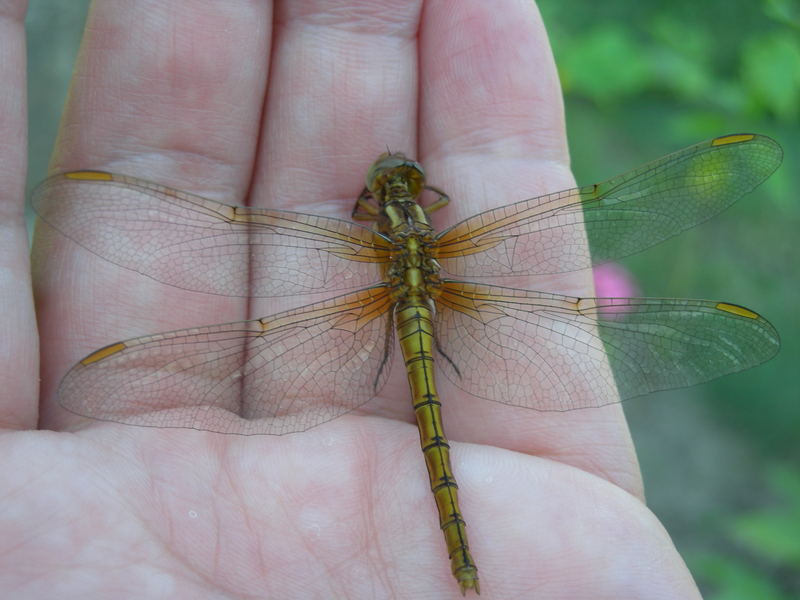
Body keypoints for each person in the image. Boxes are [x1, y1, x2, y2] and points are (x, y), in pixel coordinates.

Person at [0, 1, 702, 597]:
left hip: (393, 300)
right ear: (423, 197)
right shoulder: (439, 230)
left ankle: (459, 554)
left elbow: (243, 229)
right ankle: (461, 557)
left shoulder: (369, 235)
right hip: (436, 294)